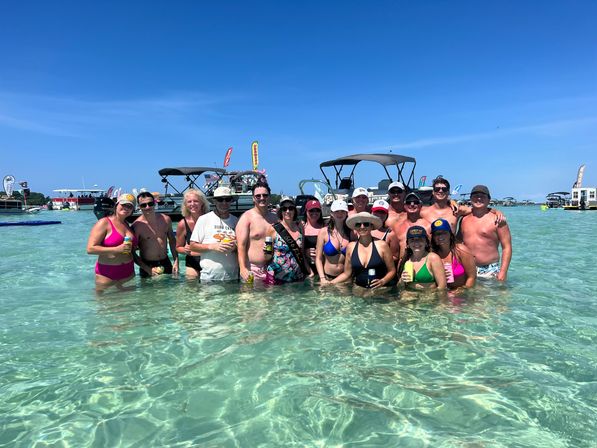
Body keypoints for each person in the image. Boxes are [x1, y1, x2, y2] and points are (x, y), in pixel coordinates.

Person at [459, 185, 512, 281]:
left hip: (490, 269)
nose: (479, 198)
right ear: (470, 199)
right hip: (467, 268)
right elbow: (457, 243)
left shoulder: (498, 220)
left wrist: (503, 272)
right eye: (475, 196)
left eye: (482, 196)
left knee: (489, 296)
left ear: (488, 200)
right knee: (466, 296)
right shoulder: (463, 219)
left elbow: (507, 247)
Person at [330, 212, 396, 289]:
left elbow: (392, 271)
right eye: (358, 224)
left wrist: (383, 281)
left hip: (380, 291)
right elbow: (347, 274)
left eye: (366, 224)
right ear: (355, 228)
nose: (362, 227)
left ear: (371, 226)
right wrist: (330, 283)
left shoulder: (382, 245)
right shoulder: (350, 247)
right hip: (359, 290)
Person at [86, 193, 137, 291]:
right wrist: (116, 249)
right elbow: (90, 249)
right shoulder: (104, 223)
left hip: (128, 273)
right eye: (124, 204)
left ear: (132, 210)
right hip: (107, 274)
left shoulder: (128, 225)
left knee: (130, 305)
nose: (126, 208)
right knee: (106, 305)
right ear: (116, 205)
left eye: (130, 206)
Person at [189, 186, 239, 281]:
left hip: (232, 277)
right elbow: (193, 246)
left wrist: (235, 247)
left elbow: (242, 246)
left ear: (231, 201)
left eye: (227, 199)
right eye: (220, 200)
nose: (224, 203)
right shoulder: (204, 219)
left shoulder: (236, 221)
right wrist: (213, 246)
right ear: (214, 201)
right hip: (209, 277)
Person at [421, 177, 505, 232]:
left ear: (448, 192)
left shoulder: (457, 210)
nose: (440, 191)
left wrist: (496, 211)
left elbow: (478, 209)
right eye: (437, 189)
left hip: (450, 254)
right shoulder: (423, 212)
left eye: (444, 189)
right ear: (433, 192)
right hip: (430, 255)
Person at [236, 181, 279, 283]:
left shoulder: (275, 218)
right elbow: (241, 246)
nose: (262, 198)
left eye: (265, 195)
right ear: (253, 198)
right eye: (258, 196)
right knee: (251, 298)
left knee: (272, 299)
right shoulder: (246, 218)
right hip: (252, 269)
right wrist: (243, 269)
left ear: (269, 197)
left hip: (272, 268)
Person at [132, 191, 179, 277]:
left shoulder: (166, 220)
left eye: (150, 203)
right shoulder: (137, 226)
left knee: (171, 289)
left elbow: (172, 241)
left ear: (154, 203)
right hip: (147, 265)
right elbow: (132, 252)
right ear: (139, 207)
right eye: (143, 205)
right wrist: (147, 269)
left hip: (166, 262)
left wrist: (176, 261)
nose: (147, 207)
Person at [264, 197, 310, 284]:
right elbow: (267, 257)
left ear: (295, 210)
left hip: (296, 277)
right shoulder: (273, 229)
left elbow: (302, 253)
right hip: (276, 278)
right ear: (280, 211)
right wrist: (266, 251)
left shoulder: (300, 227)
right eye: (284, 208)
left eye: (291, 208)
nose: (287, 211)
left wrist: (309, 271)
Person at [430, 218, 476, 289]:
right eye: (437, 234)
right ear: (433, 237)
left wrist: (463, 291)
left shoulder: (461, 250)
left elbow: (472, 277)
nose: (440, 236)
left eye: (444, 233)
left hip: (462, 291)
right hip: (443, 292)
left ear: (450, 234)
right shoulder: (432, 255)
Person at [398, 226, 447, 290]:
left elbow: (442, 287)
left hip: (429, 296)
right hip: (409, 296)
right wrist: (402, 280)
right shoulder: (405, 260)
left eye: (420, 239)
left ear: (426, 242)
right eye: (412, 240)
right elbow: (399, 287)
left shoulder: (433, 258)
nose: (416, 242)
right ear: (408, 244)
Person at [175, 189, 209, 280]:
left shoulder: (210, 219)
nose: (192, 204)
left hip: (209, 260)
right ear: (185, 205)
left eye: (196, 201)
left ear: (202, 203)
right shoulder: (182, 224)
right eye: (189, 202)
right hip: (192, 262)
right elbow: (178, 247)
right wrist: (185, 250)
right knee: (191, 291)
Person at [315, 199, 352, 283]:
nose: (340, 214)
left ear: (346, 213)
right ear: (331, 213)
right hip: (327, 278)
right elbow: (318, 258)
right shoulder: (323, 232)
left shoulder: (351, 233)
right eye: (337, 211)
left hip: (346, 279)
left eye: (342, 211)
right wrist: (322, 278)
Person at [392, 192, 431, 258]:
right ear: (404, 206)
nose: (412, 204)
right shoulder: (397, 226)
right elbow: (394, 254)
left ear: (420, 205)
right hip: (403, 266)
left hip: (423, 265)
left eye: (415, 202)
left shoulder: (429, 226)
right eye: (408, 202)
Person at [302, 199, 325, 274]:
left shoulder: (326, 227)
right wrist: (305, 252)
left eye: (317, 210)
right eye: (311, 210)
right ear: (306, 211)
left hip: (324, 268)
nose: (314, 213)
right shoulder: (300, 228)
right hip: (306, 269)